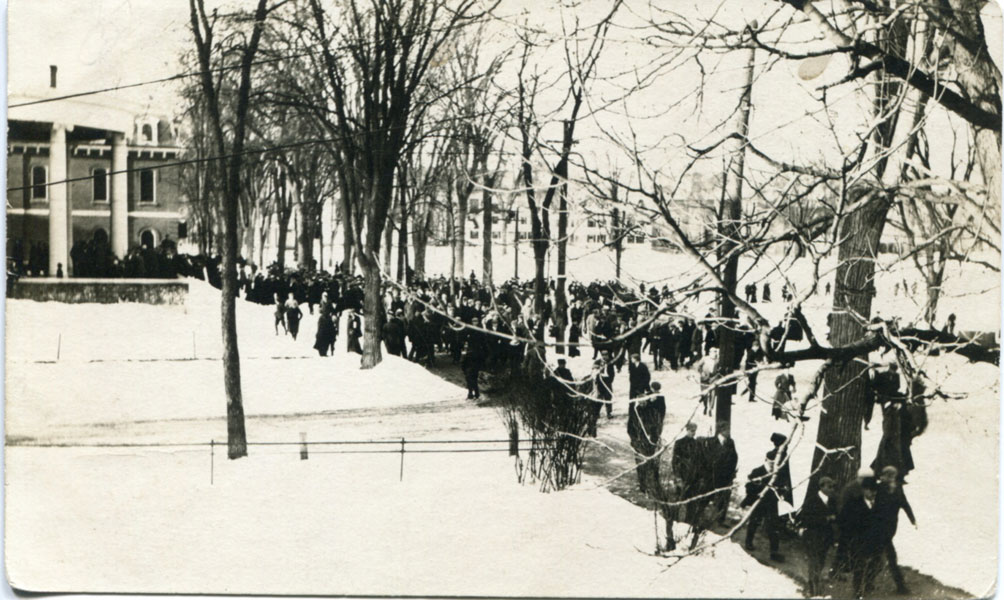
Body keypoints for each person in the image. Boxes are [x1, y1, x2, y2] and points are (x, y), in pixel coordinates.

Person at [873, 466, 916, 594]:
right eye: (888, 475)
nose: (891, 477)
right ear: (884, 476)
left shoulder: (898, 489)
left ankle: (867, 583)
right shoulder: (879, 489)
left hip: (890, 529)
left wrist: (912, 519)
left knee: (878, 558)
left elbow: (905, 504)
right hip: (879, 529)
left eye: (892, 475)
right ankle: (901, 587)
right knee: (890, 558)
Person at [741, 450, 785, 562]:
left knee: (774, 526)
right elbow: (749, 487)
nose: (772, 466)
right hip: (759, 502)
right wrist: (758, 491)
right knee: (754, 522)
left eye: (774, 463)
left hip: (772, 503)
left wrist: (782, 492)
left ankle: (774, 551)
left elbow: (781, 487)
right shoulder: (757, 471)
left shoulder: (777, 474)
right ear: (766, 460)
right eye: (771, 463)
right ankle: (748, 542)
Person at [799, 476, 837, 596]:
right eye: (829, 487)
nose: (832, 489)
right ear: (822, 487)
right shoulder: (812, 500)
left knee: (820, 563)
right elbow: (805, 519)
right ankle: (814, 591)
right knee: (814, 564)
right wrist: (825, 519)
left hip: (825, 539)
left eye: (833, 487)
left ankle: (814, 588)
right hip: (813, 537)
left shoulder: (832, 501)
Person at [705, 420, 738, 525]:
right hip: (713, 475)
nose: (729, 431)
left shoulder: (730, 442)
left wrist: (732, 472)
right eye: (727, 429)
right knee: (708, 497)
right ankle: (704, 518)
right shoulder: (711, 442)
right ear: (721, 430)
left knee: (724, 499)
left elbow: (734, 457)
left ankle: (720, 519)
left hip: (726, 476)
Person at [673, 422, 701, 522]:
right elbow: (675, 462)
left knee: (692, 502)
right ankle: (674, 519)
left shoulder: (696, 444)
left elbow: (698, 461)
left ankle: (688, 522)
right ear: (687, 430)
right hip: (682, 476)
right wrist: (678, 477)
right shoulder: (679, 443)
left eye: (695, 431)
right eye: (692, 431)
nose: (693, 433)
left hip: (693, 478)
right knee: (679, 500)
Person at [313, 292, 337, 356]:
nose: (325, 297)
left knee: (328, 336)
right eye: (324, 296)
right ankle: (321, 350)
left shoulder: (329, 302)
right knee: (320, 335)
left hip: (328, 320)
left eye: (326, 296)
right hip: (322, 320)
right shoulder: (321, 302)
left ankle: (326, 350)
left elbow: (333, 311)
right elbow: (320, 310)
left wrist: (333, 315)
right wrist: (320, 310)